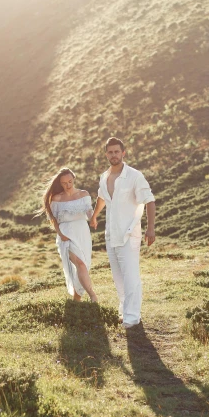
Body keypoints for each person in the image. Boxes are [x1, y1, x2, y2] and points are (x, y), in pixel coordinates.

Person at [90, 137, 155, 328]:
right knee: (118, 277)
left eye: (117, 151)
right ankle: (123, 311)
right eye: (110, 152)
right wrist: (94, 216)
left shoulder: (134, 176)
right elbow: (102, 197)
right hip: (111, 234)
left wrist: (150, 228)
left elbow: (149, 200)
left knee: (131, 276)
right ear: (106, 154)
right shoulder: (104, 177)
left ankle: (132, 318)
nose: (114, 155)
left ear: (123, 153)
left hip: (129, 233)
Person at [39, 167, 99, 302]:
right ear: (60, 184)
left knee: (83, 266)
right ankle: (92, 295)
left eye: (70, 182)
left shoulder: (83, 194)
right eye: (64, 183)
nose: (68, 185)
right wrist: (61, 234)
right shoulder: (57, 199)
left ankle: (76, 299)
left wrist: (92, 219)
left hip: (82, 233)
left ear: (74, 180)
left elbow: (89, 211)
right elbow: (54, 220)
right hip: (66, 235)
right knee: (80, 264)